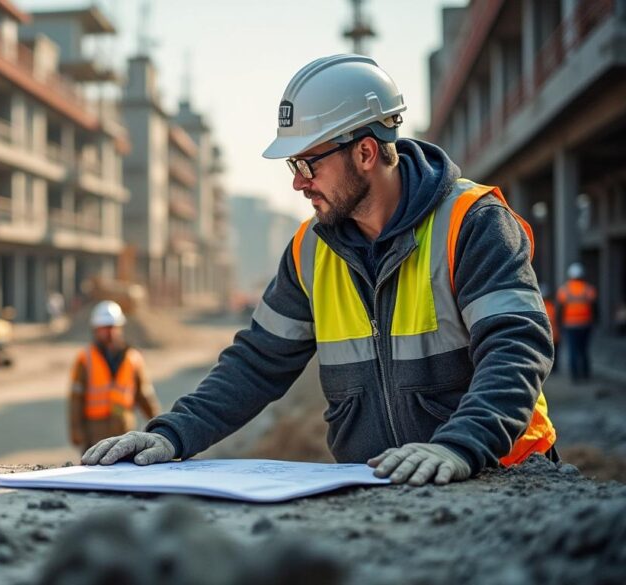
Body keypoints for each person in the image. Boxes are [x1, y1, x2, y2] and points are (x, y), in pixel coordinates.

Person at [83, 54, 557, 486]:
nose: (297, 182)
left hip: (503, 476)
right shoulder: (310, 249)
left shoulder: (471, 223)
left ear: (366, 153)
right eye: (294, 163)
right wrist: (173, 434)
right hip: (380, 487)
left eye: (308, 162)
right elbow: (257, 363)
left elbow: (515, 346)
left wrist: (460, 445)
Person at [69, 301, 161, 454]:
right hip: (95, 434)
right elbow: (76, 399)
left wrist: (159, 426)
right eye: (105, 328)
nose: (109, 332)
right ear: (96, 329)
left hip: (124, 431)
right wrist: (76, 431)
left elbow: (144, 395)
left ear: (120, 328)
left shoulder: (133, 358)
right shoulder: (85, 359)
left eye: (113, 327)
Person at [557, 262, 597, 382]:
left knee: (573, 350)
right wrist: (594, 322)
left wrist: (560, 324)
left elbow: (560, 310)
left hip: (570, 325)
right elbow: (595, 307)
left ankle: (575, 376)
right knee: (584, 350)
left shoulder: (564, 289)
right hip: (585, 325)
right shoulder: (588, 288)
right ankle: (585, 374)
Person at [540, 284, 559, 374]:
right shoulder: (551, 306)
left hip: (546, 335)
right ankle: (553, 368)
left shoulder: (538, 306)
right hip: (553, 335)